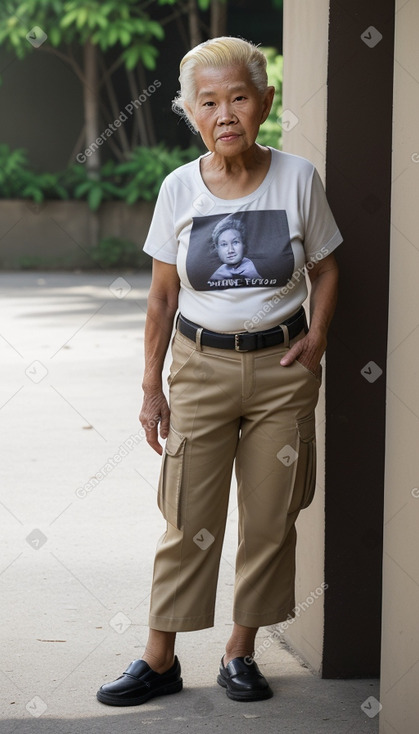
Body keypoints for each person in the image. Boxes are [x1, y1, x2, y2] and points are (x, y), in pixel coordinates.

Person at [97, 36, 342, 707]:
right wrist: (151, 387)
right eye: (209, 102)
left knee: (270, 518)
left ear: (264, 102)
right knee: (186, 516)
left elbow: (324, 269)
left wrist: (316, 338)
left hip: (281, 370)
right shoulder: (178, 188)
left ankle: (240, 652)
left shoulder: (297, 179)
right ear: (189, 112)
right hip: (199, 368)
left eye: (238, 97)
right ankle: (159, 657)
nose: (225, 112)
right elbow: (161, 297)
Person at [209, 216, 262, 282]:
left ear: (244, 244)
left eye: (235, 242)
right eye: (224, 244)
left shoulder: (254, 270)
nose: (230, 250)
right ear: (217, 248)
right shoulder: (218, 274)